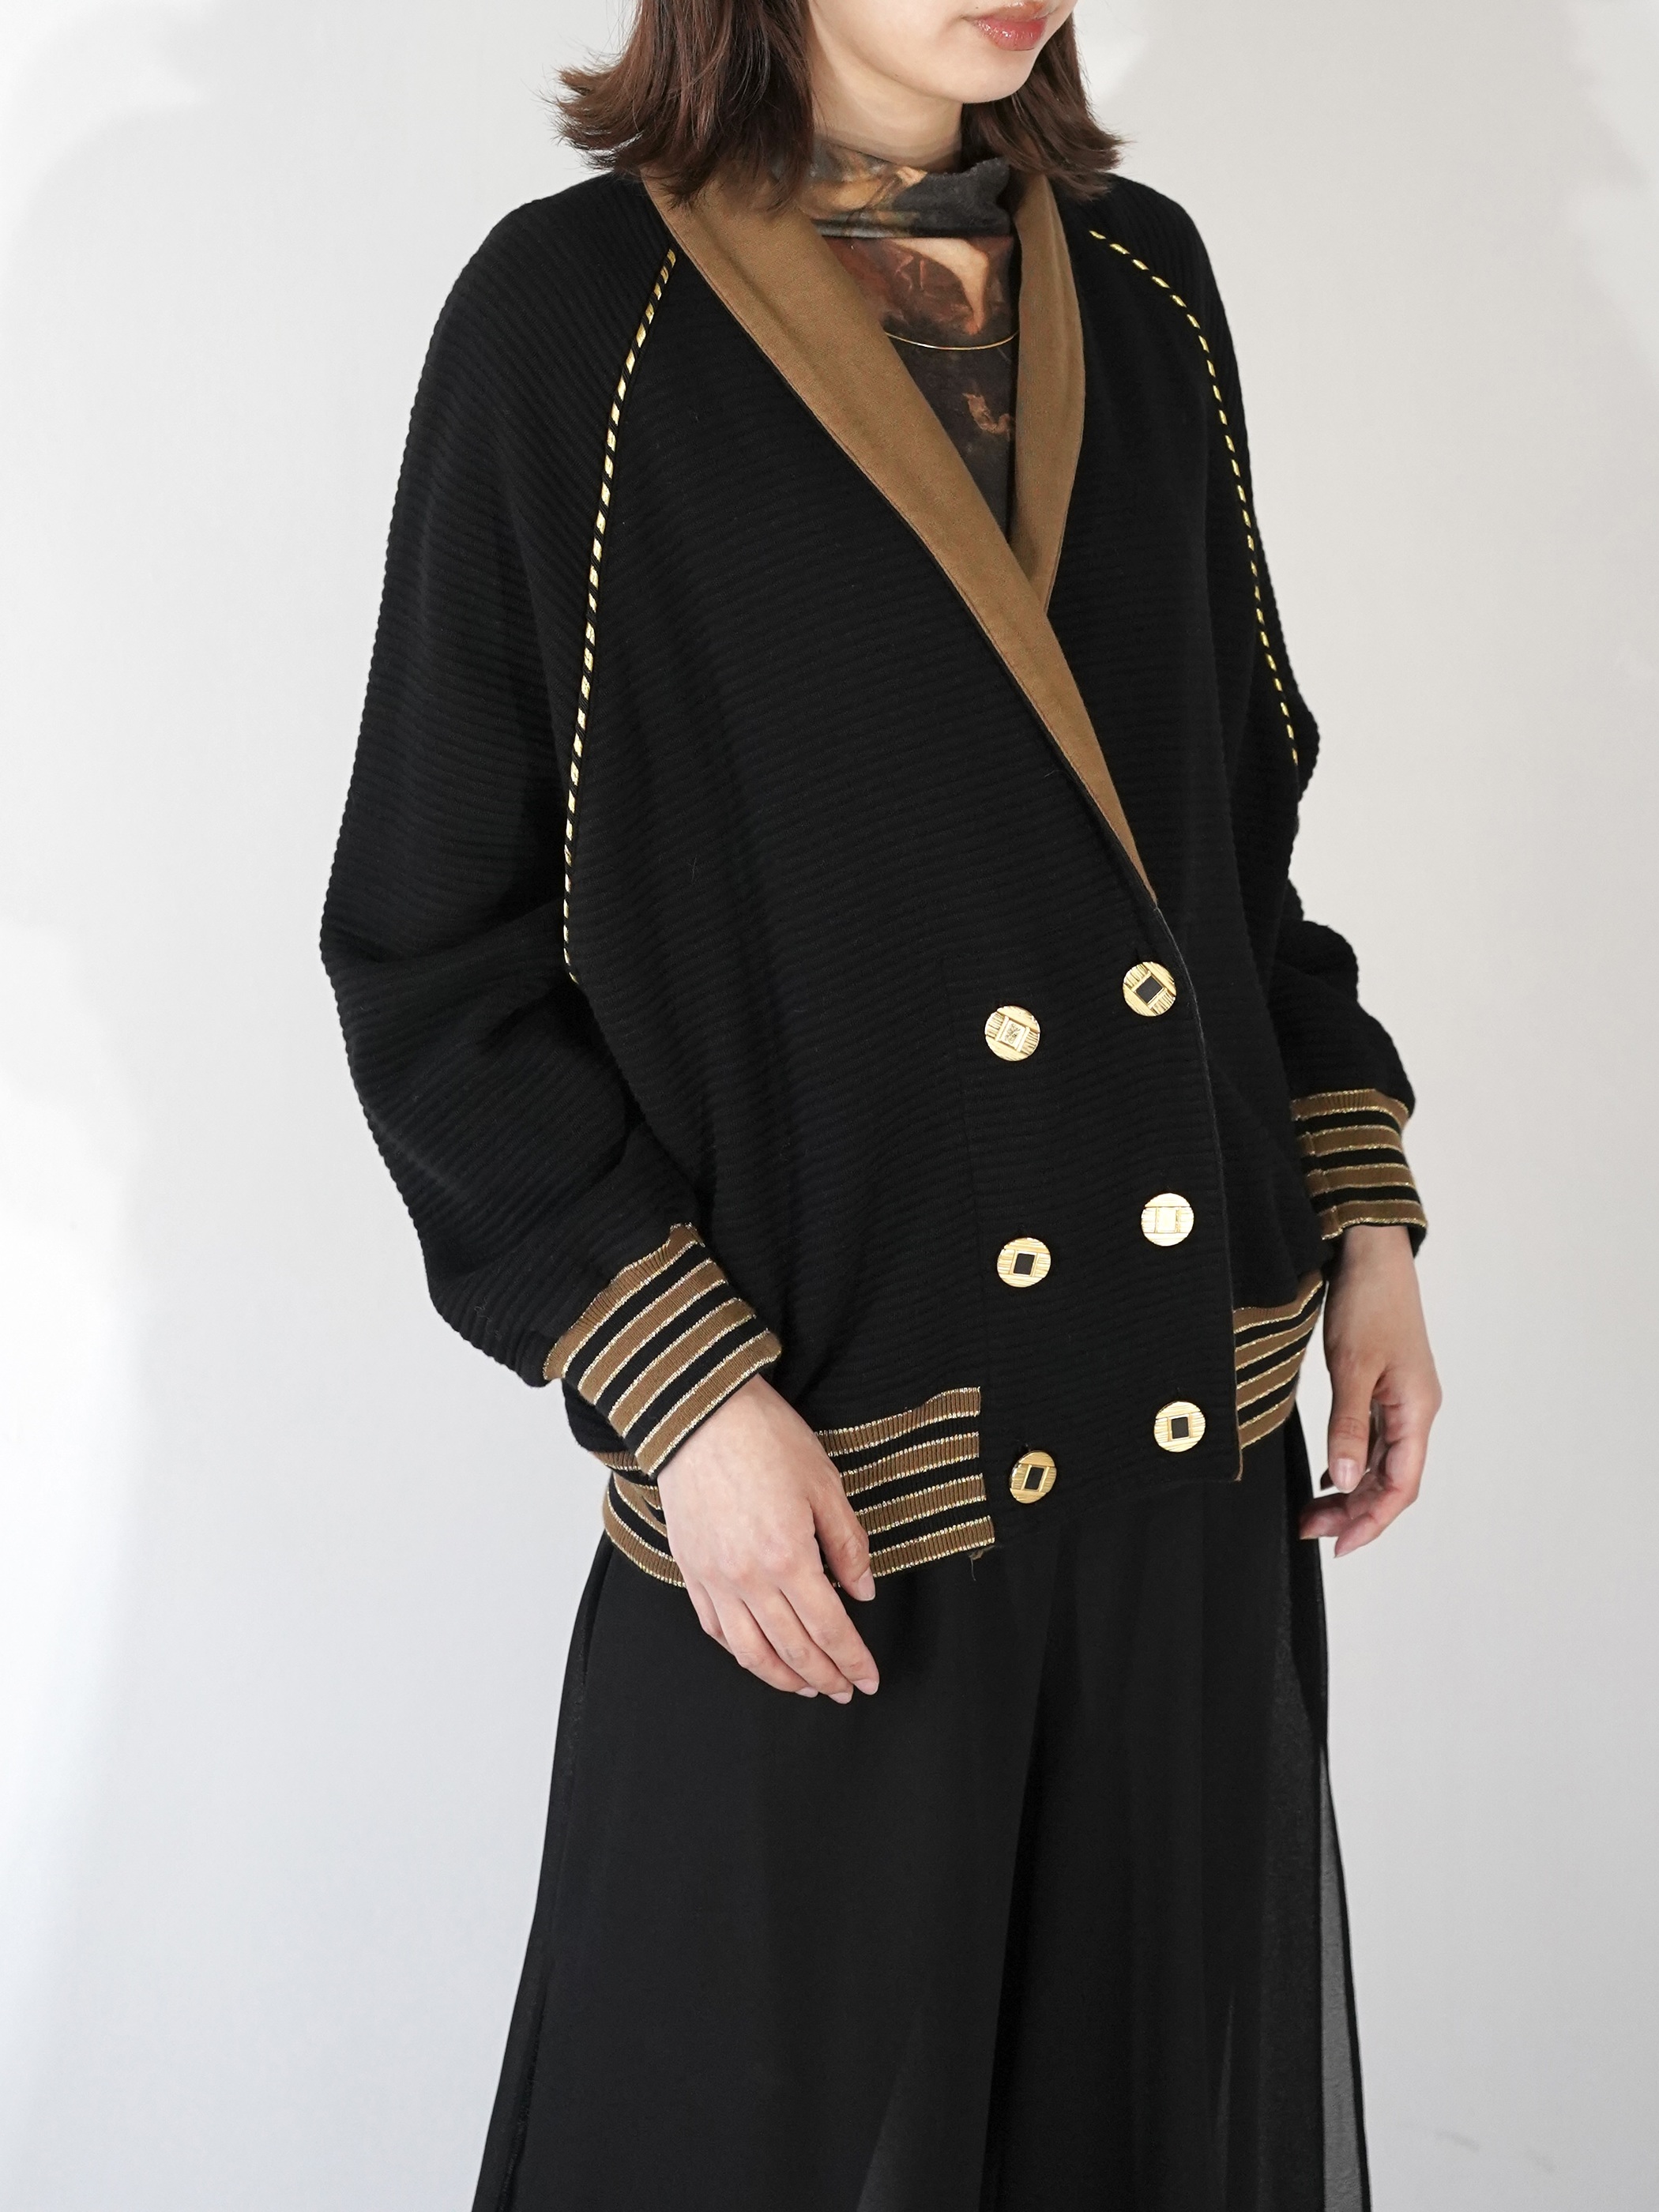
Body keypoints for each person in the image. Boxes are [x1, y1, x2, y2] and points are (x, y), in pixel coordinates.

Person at [322, 2, 1442, 2203]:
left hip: (1181, 1455)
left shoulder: (1144, 282)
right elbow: (434, 956)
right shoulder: (577, 322)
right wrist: (684, 1400)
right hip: (836, 1485)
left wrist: (1367, 1229)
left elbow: (1231, 854)